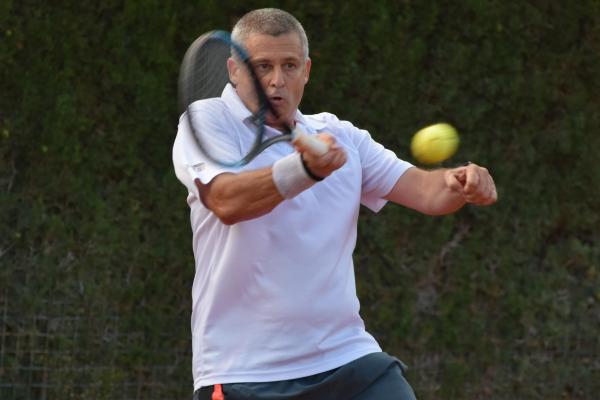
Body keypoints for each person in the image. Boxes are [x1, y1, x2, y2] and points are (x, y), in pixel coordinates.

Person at [173, 8, 497, 400]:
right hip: (244, 371)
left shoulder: (341, 135)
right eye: (262, 66)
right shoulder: (207, 121)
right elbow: (225, 200)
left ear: (306, 70)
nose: (277, 80)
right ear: (234, 69)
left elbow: (426, 192)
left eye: (289, 65)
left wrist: (458, 181)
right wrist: (304, 170)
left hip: (348, 360)